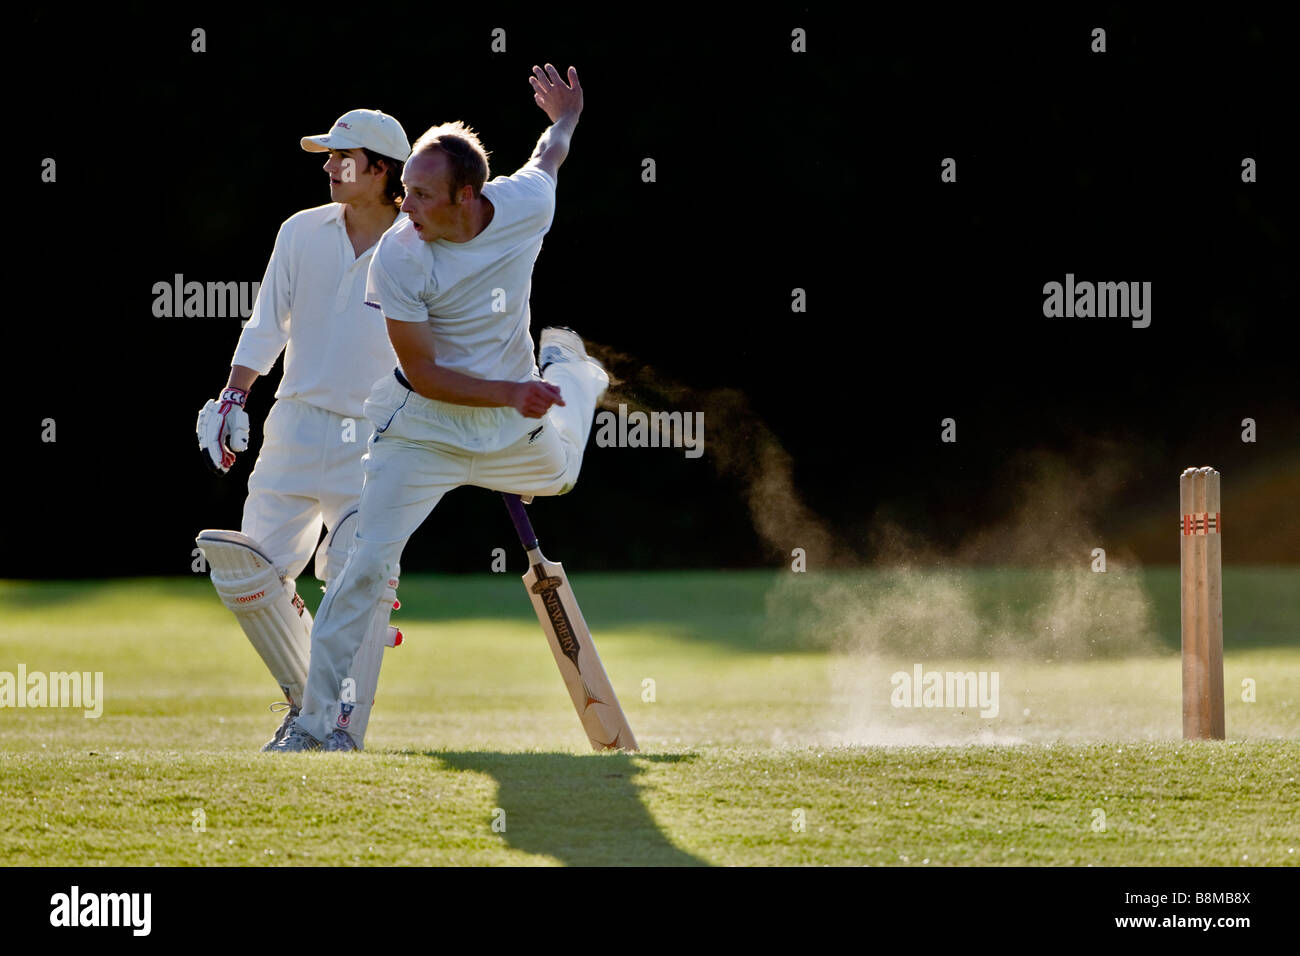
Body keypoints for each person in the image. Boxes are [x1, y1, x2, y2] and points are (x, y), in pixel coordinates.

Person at [276, 64, 606, 752]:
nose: (407, 208)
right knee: (362, 565)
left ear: (468, 195)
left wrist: (566, 117)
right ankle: (314, 728)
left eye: (423, 196)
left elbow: (548, 156)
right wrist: (512, 394)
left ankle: (573, 372)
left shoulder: (524, 208)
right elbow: (423, 373)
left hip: (514, 416)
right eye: (404, 193)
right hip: (421, 429)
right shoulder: (398, 258)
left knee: (565, 473)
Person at [195, 109, 411, 750]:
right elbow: (267, 323)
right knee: (245, 570)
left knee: (358, 580)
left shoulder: (419, 242)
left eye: (342, 156)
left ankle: (337, 727)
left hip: (373, 438)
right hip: (292, 422)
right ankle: (308, 708)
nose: (327, 165)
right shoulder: (301, 231)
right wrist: (235, 393)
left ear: (379, 168)